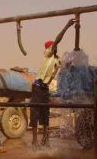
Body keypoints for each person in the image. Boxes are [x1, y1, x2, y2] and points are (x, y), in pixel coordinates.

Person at [31, 19, 75, 148]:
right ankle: (34, 141)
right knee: (35, 113)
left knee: (45, 114)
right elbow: (58, 39)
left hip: (45, 89)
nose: (55, 47)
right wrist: (66, 26)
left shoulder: (57, 60)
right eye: (53, 46)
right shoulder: (48, 55)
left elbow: (66, 66)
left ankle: (46, 139)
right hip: (38, 87)